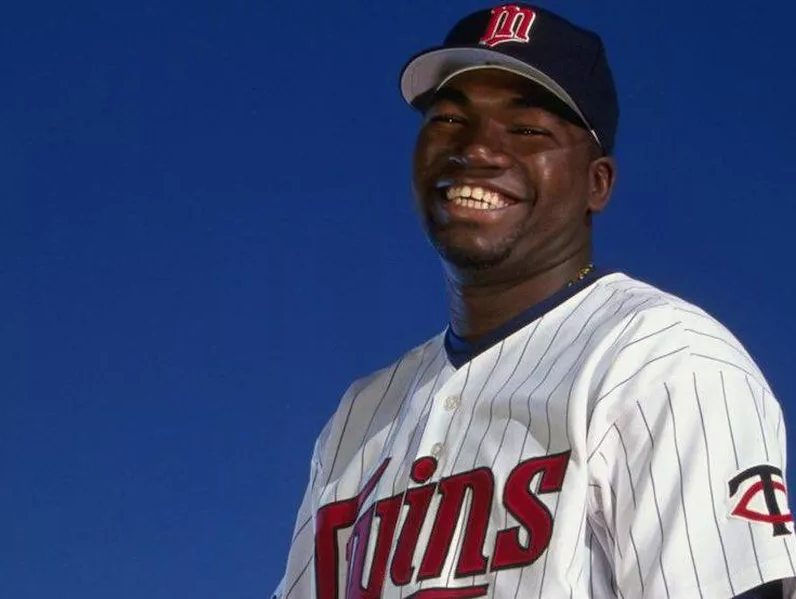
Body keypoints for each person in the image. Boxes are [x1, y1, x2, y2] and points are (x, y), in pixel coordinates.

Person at [274, 4, 795, 598]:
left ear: (597, 183)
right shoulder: (359, 418)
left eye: (527, 131)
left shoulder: (665, 360)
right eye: (448, 119)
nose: (476, 150)